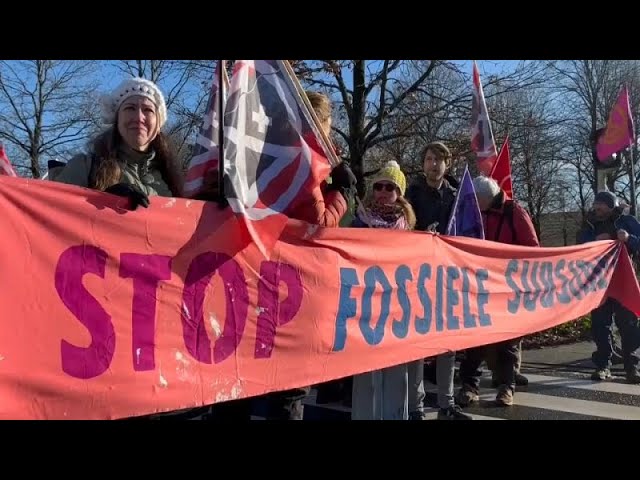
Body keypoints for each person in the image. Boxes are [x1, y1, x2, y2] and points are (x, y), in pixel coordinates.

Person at [202, 90, 356, 420]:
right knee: (267, 391)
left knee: (263, 389)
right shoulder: (293, 164)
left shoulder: (299, 160)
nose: (316, 129)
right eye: (309, 121)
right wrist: (341, 195)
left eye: (321, 122)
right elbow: (313, 227)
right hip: (276, 290)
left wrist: (335, 187)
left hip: (278, 292)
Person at [456, 176, 539, 407]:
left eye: (478, 201)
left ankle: (506, 387)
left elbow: (533, 250)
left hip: (507, 288)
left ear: (489, 198)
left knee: (507, 342)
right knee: (474, 340)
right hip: (478, 287)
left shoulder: (515, 213)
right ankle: (469, 386)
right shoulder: (475, 211)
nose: (475, 205)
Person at [406, 141, 471, 420]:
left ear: (447, 163)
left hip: (447, 277)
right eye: (428, 159)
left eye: (438, 159)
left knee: (448, 345)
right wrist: (423, 235)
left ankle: (446, 404)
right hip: (419, 277)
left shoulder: (457, 195)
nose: (433, 164)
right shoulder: (412, 193)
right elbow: (403, 228)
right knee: (419, 344)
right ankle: (416, 407)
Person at [349, 160, 416, 420]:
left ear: (399, 193)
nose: (384, 191)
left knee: (397, 370)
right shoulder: (358, 221)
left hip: (397, 306)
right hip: (366, 306)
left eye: (391, 187)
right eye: (379, 186)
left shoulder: (408, 227)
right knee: (366, 372)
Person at [53, 77, 183, 205]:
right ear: (117, 119)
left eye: (148, 110)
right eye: (130, 108)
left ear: (158, 124)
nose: (139, 117)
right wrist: (99, 200)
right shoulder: (86, 167)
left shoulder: (173, 180)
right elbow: (53, 211)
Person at [577, 191, 640, 384]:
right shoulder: (589, 225)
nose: (597, 208)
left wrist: (629, 238)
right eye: (595, 205)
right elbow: (579, 248)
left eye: (601, 205)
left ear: (611, 205)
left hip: (622, 281)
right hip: (599, 284)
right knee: (600, 326)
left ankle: (633, 368)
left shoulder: (628, 221)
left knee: (628, 326)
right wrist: (593, 243)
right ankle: (603, 365)